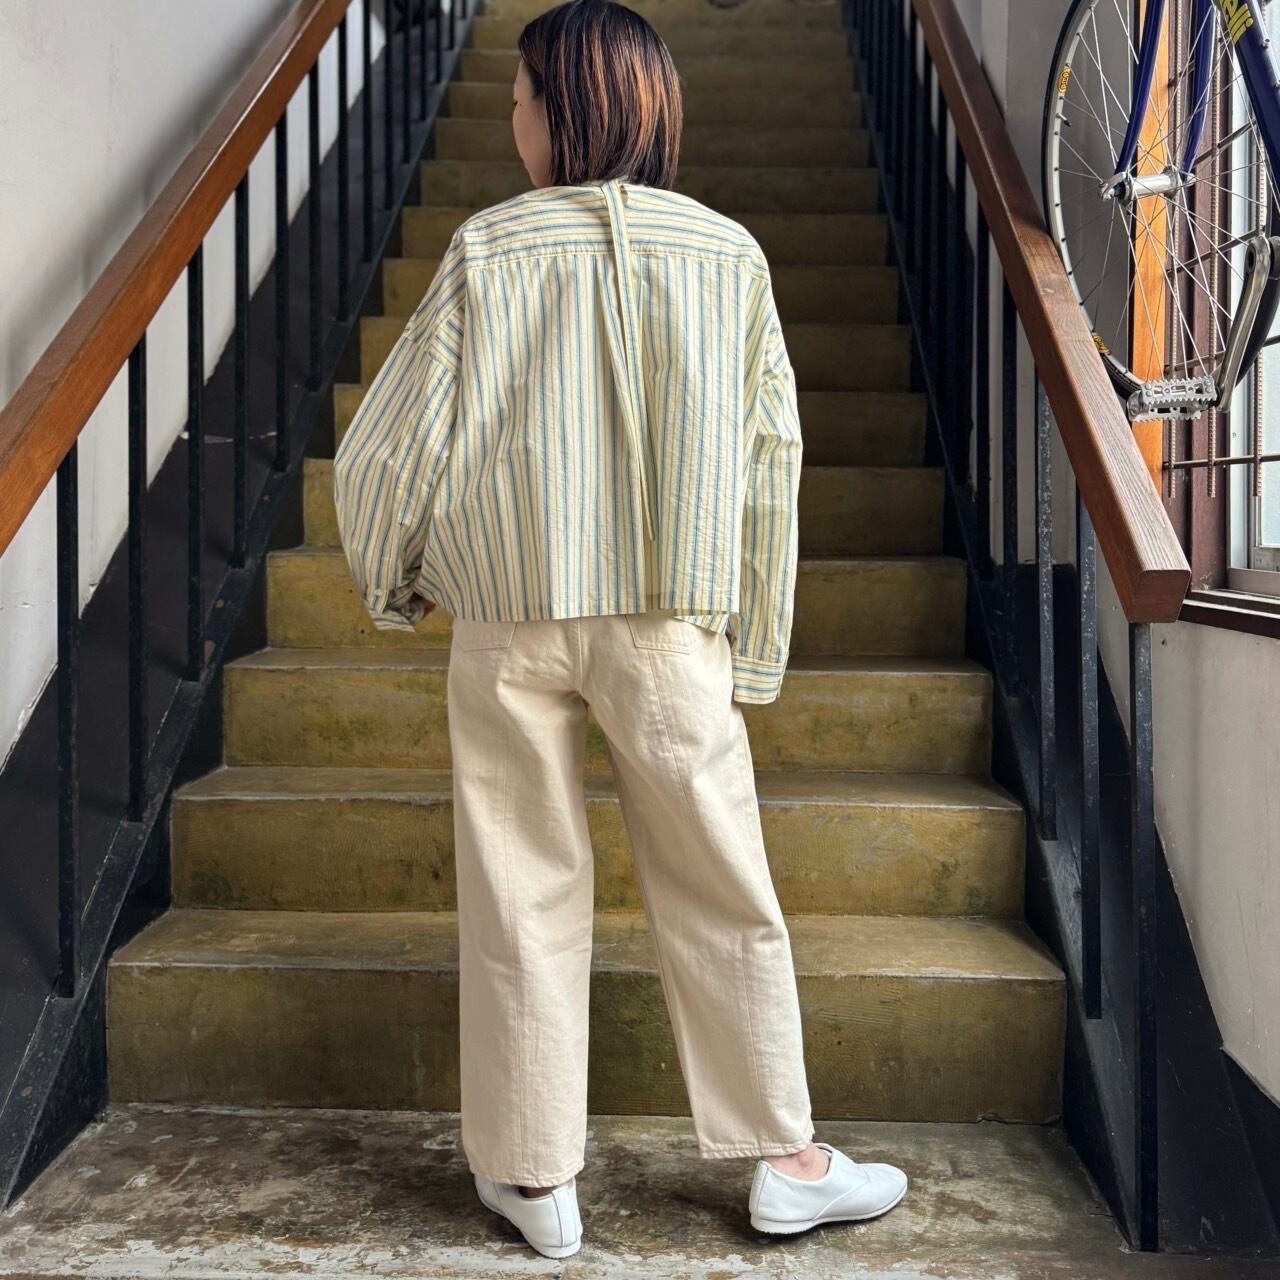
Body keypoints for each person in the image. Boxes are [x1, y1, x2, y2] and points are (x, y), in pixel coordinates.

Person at [333, 0, 907, 1259]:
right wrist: (753, 638)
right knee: (718, 878)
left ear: (565, 111)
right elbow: (770, 463)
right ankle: (784, 1161)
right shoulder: (728, 256)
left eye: (522, 100)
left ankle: (534, 1178)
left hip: (508, 612)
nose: (514, 120)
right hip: (667, 620)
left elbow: (392, 438)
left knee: (519, 884)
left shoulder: (487, 248)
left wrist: (398, 574)